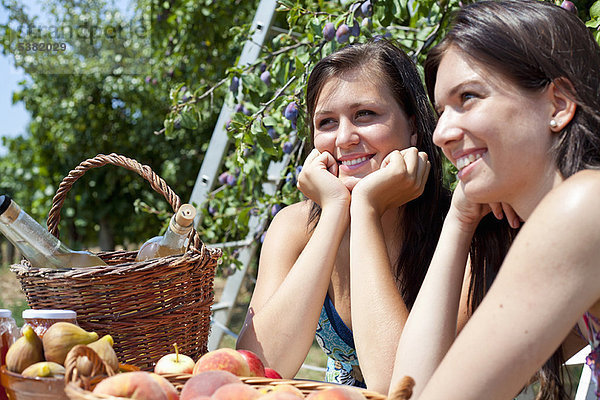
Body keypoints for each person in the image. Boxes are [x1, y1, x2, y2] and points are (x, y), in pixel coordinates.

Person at [388, 1, 600, 399]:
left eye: (468, 97)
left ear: (558, 104)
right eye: (440, 111)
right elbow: (413, 386)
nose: (440, 134)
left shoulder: (582, 208)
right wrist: (459, 219)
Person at [236, 39, 453, 394]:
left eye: (365, 114)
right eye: (326, 122)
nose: (344, 138)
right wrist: (336, 210)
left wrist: (365, 208)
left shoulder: (461, 230)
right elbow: (255, 372)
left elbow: (400, 388)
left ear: (413, 126)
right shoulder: (293, 227)